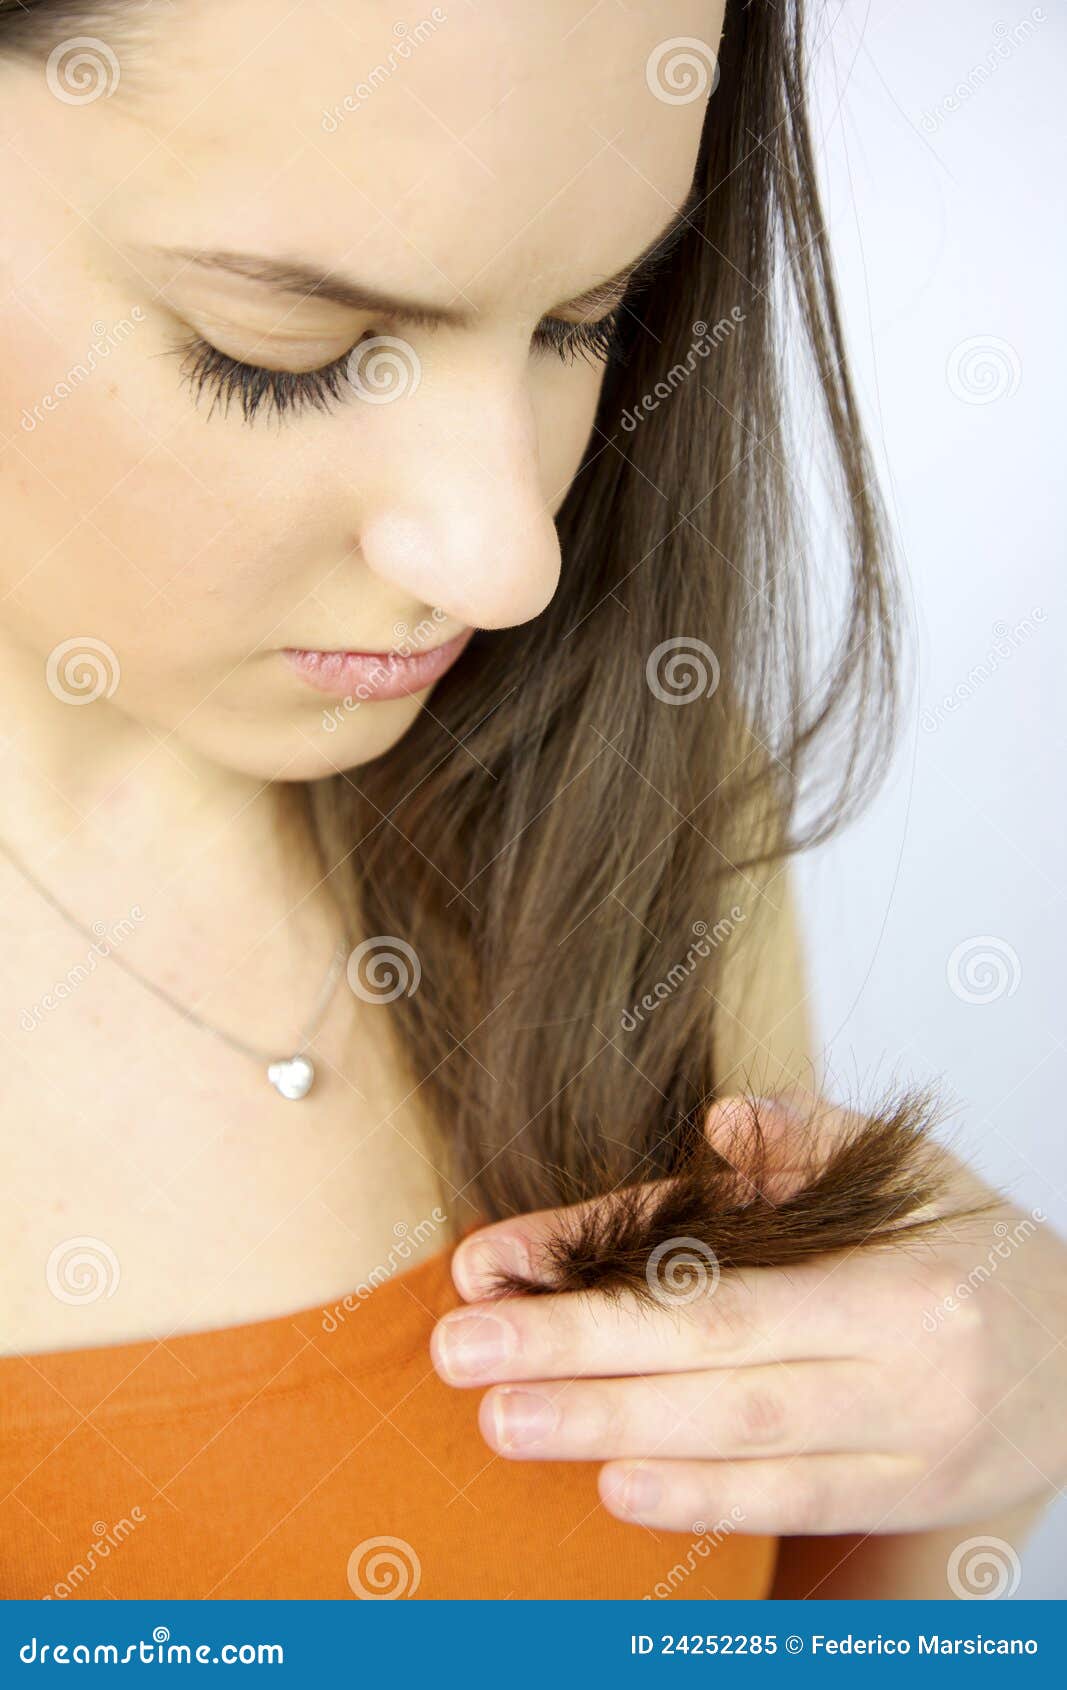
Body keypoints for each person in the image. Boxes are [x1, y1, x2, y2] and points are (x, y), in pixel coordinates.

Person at [0, 0, 1063, 1601]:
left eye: (588, 320)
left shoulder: (631, 812)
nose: (511, 559)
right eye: (287, 355)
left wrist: (981, 1433)